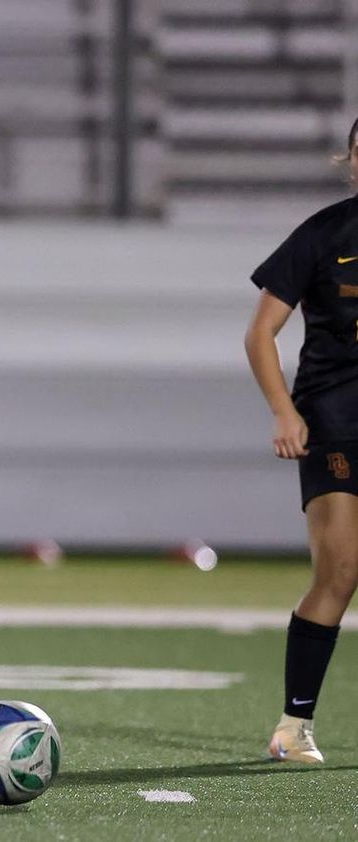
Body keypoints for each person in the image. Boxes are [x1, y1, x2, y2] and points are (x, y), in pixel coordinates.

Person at [245, 116, 358, 764]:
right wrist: (284, 412)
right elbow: (260, 332)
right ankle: (294, 725)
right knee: (341, 568)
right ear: (350, 159)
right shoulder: (322, 235)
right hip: (334, 418)